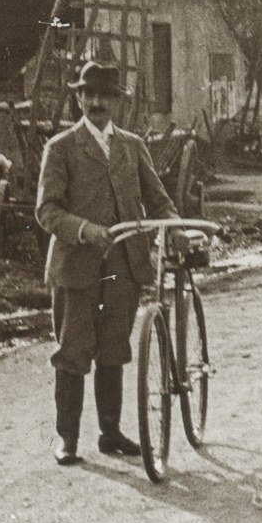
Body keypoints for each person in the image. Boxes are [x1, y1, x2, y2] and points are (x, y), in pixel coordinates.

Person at [34, 61, 179, 466]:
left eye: (105, 96)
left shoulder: (132, 147)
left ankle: (110, 433)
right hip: (75, 268)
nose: (96, 102)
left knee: (114, 348)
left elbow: (159, 200)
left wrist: (177, 229)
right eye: (89, 94)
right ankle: (67, 438)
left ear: (117, 102)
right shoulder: (61, 147)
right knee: (73, 351)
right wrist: (84, 230)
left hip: (123, 268)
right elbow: (47, 210)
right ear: (78, 98)